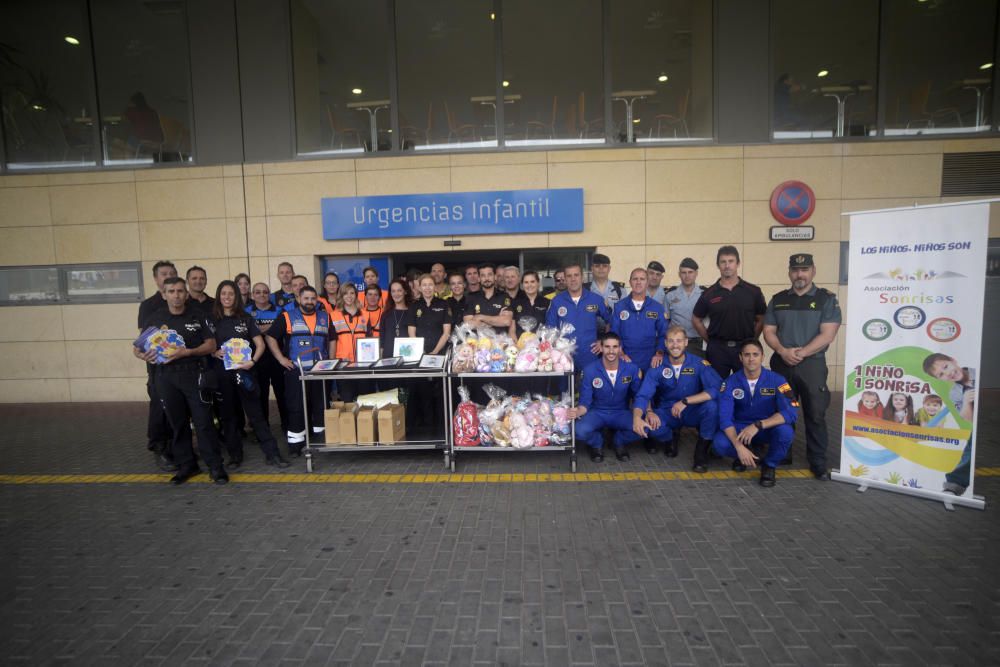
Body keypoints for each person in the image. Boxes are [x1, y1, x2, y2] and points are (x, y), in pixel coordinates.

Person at [134, 277, 227, 485]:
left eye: (179, 291)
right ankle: (187, 465)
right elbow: (137, 348)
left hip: (194, 374)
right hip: (165, 377)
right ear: (164, 294)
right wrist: (142, 355)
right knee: (177, 423)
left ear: (186, 294)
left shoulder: (198, 316)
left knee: (203, 423)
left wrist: (188, 352)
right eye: (172, 291)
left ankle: (215, 467)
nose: (176, 295)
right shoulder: (155, 319)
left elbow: (211, 345)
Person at [763, 253, 842, 480]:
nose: (800, 274)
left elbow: (828, 334)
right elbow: (769, 331)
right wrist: (782, 351)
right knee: (782, 409)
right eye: (796, 270)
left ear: (813, 271)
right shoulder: (778, 299)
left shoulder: (826, 299)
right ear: (789, 272)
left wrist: (802, 353)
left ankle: (817, 461)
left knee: (815, 413)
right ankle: (782, 453)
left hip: (812, 366)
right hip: (782, 365)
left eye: (805, 269)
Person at [210, 281, 290, 469]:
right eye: (224, 294)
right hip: (223, 375)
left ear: (237, 297)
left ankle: (273, 454)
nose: (227, 297)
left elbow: (260, 344)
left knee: (257, 415)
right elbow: (206, 343)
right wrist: (213, 352)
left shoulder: (245, 318)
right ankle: (235, 456)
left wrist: (252, 361)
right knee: (229, 417)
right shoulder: (211, 319)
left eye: (231, 294)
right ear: (219, 296)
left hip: (246, 373)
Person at [711, 339, 798, 487]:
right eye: (747, 355)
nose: (751, 359)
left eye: (755, 354)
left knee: (786, 433)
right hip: (741, 428)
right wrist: (738, 446)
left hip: (765, 427)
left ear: (762, 357)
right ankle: (745, 454)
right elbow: (725, 418)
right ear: (740, 358)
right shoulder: (730, 382)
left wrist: (759, 425)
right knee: (719, 443)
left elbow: (792, 411)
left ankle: (769, 465)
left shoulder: (778, 380)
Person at [632, 326, 722, 469]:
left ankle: (701, 451)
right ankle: (671, 436)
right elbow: (643, 394)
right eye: (671, 341)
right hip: (667, 410)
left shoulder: (699, 364)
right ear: (666, 343)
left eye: (679, 341)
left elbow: (717, 388)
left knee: (712, 407)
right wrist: (640, 416)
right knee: (649, 428)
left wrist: (686, 401)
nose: (675, 345)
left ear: (686, 342)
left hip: (691, 409)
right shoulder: (657, 366)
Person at [265, 286, 335, 454]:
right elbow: (270, 336)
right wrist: (281, 359)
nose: (310, 302)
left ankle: (320, 441)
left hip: (320, 371)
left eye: (313, 298)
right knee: (296, 407)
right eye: (306, 298)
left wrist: (330, 361)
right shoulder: (287, 317)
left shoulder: (325, 317)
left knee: (320, 405)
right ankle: (296, 444)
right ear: (298, 299)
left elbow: (332, 339)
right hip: (297, 371)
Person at [692, 247, 766, 378]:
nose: (727, 266)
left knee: (746, 388)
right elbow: (696, 319)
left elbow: (761, 318)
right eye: (723, 262)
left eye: (731, 261)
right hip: (718, 350)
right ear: (718, 265)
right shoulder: (709, 294)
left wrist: (752, 340)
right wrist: (710, 340)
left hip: (745, 348)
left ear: (738, 263)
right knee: (717, 388)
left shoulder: (753, 291)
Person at [570, 333, 641, 462]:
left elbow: (639, 396)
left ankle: (618, 441)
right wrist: (578, 412)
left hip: (620, 412)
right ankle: (597, 443)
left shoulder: (632, 369)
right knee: (579, 431)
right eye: (607, 347)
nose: (611, 351)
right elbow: (585, 401)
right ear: (601, 348)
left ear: (620, 349)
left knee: (644, 427)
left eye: (615, 347)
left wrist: (644, 414)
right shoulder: (590, 370)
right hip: (597, 412)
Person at [138, 260, 177, 470]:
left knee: (176, 409)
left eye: (172, 273)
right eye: (164, 273)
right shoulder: (149, 305)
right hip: (158, 367)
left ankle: (176, 447)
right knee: (159, 408)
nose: (168, 276)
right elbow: (144, 339)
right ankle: (159, 447)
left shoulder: (181, 302)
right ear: (156, 279)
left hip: (179, 367)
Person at [922, 352, 976, 495]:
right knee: (971, 449)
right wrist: (966, 402)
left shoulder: (978, 371)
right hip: (981, 424)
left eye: (946, 366)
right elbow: (968, 419)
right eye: (941, 374)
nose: (948, 373)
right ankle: (954, 486)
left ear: (953, 360)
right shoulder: (955, 393)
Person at [546, 263, 609, 372]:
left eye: (576, 275)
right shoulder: (557, 301)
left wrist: (603, 342)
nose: (573, 279)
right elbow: (550, 329)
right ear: (565, 279)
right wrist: (557, 349)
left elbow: (612, 321)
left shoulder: (595, 299)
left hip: (590, 355)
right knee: (565, 388)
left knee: (589, 387)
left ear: (582, 277)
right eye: (569, 276)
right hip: (564, 357)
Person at [409, 274, 452, 432]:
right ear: (419, 287)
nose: (427, 288)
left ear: (435, 287)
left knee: (441, 394)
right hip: (420, 357)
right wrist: (422, 352)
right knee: (423, 394)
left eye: (430, 284)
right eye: (424, 285)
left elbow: (446, 332)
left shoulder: (443, 304)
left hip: (439, 356)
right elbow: (411, 332)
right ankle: (427, 430)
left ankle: (442, 429)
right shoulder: (414, 306)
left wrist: (434, 352)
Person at [246, 282, 288, 434]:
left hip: (277, 357)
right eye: (257, 292)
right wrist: (270, 328)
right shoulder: (246, 312)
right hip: (256, 359)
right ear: (252, 295)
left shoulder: (279, 310)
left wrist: (257, 329)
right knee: (260, 395)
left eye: (265, 292)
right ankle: (263, 430)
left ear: (269, 294)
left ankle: (287, 426)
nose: (261, 295)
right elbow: (248, 332)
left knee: (282, 393)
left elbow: (282, 330)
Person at [610, 267, 668, 373]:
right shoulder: (619, 306)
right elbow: (614, 334)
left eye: (642, 279)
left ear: (647, 283)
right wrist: (620, 352)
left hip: (650, 361)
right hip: (625, 359)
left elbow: (663, 334)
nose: (638, 282)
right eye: (635, 279)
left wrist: (659, 353)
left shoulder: (657, 307)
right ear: (630, 282)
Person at [330, 283, 372, 400]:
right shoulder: (334, 316)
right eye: (345, 293)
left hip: (363, 365)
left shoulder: (365, 314)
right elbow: (332, 341)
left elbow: (369, 339)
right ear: (341, 296)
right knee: (347, 400)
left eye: (352, 293)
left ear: (356, 295)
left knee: (364, 400)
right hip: (343, 365)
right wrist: (332, 363)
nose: (349, 296)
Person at [665, 258, 704, 357]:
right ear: (679, 274)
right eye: (684, 272)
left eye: (690, 272)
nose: (687, 276)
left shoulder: (704, 294)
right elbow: (665, 321)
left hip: (698, 344)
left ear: (696, 273)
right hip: (676, 344)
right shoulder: (670, 295)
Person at [463, 264, 513, 330]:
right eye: (483, 275)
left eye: (489, 274)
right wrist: (497, 320)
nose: (486, 278)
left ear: (495, 277)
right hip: (478, 340)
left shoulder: (504, 296)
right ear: (479, 279)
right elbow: (468, 324)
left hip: (500, 339)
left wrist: (480, 317)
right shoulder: (471, 298)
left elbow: (506, 321)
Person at [510, 271, 550, 339]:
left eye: (532, 281)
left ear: (538, 283)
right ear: (522, 285)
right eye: (526, 282)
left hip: (541, 346)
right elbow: (512, 331)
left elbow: (550, 327)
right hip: (520, 346)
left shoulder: (547, 303)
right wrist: (516, 346)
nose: (529, 285)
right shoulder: (515, 303)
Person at [380, 278, 412, 359]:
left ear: (405, 292)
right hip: (388, 357)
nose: (396, 294)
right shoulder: (385, 314)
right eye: (393, 291)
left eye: (399, 290)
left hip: (407, 357)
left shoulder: (412, 313)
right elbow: (382, 339)